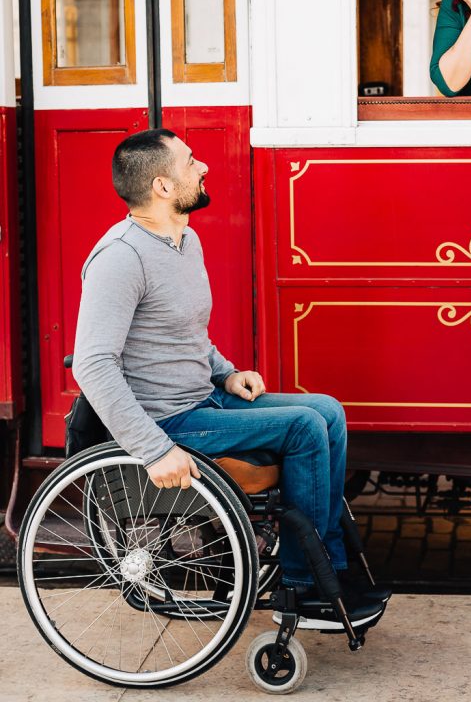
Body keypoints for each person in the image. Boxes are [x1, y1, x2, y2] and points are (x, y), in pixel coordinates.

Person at [72, 128, 386, 630]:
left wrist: (227, 372)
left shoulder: (184, 241)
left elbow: (186, 333)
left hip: (203, 400)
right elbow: (92, 363)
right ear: (162, 186)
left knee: (326, 410)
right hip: (166, 421)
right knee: (304, 426)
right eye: (190, 161)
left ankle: (329, 567)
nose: (204, 168)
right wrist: (154, 449)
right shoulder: (120, 258)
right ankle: (305, 584)